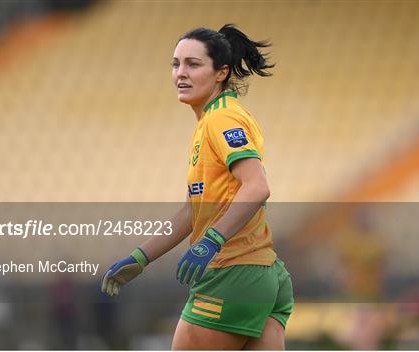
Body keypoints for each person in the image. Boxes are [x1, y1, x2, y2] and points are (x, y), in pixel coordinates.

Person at [101, 24, 294, 350]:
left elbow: (257, 186)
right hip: (265, 277)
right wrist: (141, 257)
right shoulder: (218, 118)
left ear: (221, 72)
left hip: (231, 274)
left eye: (193, 64)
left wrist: (212, 241)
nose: (181, 73)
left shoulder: (221, 120)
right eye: (176, 64)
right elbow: (193, 211)